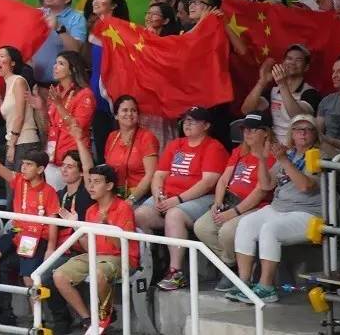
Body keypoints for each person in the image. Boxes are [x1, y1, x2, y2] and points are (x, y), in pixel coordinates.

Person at [228, 114, 323, 304]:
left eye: (308, 129)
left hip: (308, 212)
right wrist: (263, 160)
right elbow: (267, 185)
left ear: (315, 134)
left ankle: (266, 287)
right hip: (279, 208)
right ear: (292, 133)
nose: (303, 133)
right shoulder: (289, 154)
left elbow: (305, 186)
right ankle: (244, 282)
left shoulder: (320, 155)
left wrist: (284, 161)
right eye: (298, 129)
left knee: (270, 229)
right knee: (246, 223)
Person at [136, 106, 228, 290]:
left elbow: (208, 183)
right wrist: (158, 195)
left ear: (206, 125)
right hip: (170, 197)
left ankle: (176, 272)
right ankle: (153, 263)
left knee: (174, 215)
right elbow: (159, 175)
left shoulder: (213, 147)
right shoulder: (175, 144)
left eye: (193, 120)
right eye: (185, 120)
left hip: (202, 198)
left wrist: (177, 200)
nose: (187, 124)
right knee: (140, 214)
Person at [0, 143, 60, 322]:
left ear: (40, 169)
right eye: (23, 163)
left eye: (29, 165)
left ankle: (38, 319)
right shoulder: (18, 180)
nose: (23, 168)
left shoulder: (49, 192)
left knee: (28, 278)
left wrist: (50, 248)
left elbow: (53, 222)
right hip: (18, 232)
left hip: (35, 238)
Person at [52, 163, 139, 332]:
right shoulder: (91, 210)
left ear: (109, 185)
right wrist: (76, 227)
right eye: (90, 181)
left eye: (96, 182)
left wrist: (106, 225)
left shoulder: (124, 208)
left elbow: (122, 246)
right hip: (94, 255)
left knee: (98, 272)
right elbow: (88, 247)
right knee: (59, 276)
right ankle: (87, 318)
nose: (91, 186)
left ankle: (105, 314)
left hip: (122, 258)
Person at [193, 113, 273, 287]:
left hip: (255, 206)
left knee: (227, 231)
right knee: (202, 227)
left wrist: (234, 212)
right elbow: (223, 179)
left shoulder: (272, 155)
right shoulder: (239, 151)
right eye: (245, 129)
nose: (247, 133)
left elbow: (261, 192)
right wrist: (218, 202)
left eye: (253, 129)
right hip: (231, 200)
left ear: (266, 132)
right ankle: (233, 265)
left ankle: (230, 267)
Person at [241, 45, 322, 144]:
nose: (292, 62)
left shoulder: (310, 92)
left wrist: (282, 84)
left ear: (306, 67)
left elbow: (298, 118)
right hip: (273, 145)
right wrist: (262, 81)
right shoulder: (274, 91)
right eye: (289, 59)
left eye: (298, 60)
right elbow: (246, 110)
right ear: (283, 63)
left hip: (297, 146)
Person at [103, 95, 159, 203]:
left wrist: (131, 200)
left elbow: (151, 174)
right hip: (116, 195)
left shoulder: (147, 137)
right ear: (116, 115)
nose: (129, 114)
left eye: (133, 110)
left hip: (141, 196)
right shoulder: (112, 137)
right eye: (125, 110)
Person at [31, 0, 86, 84]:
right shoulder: (36, 14)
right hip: (33, 80)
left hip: (60, 83)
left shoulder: (77, 18)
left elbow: (75, 50)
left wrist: (59, 28)